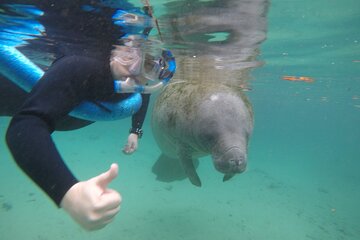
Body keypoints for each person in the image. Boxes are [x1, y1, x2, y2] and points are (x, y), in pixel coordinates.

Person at [1, 1, 174, 231]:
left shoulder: (135, 85)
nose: (134, 67)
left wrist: (136, 131)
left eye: (150, 66)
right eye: (129, 53)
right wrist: (69, 192)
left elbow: (142, 96)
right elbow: (25, 127)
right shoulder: (82, 67)